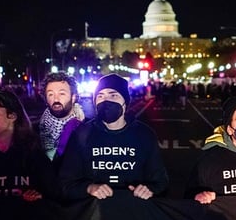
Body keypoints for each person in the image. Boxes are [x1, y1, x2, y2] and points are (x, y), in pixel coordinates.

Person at [58, 73, 169, 201]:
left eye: (113, 95)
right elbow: (64, 184)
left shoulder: (144, 134)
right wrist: (89, 188)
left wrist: (149, 190)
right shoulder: (81, 134)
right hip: (94, 215)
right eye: (100, 96)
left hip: (134, 212)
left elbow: (161, 181)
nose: (106, 101)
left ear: (125, 102)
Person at [37, 71, 86, 166]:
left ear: (73, 97)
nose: (56, 99)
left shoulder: (87, 126)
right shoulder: (36, 134)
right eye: (50, 94)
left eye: (62, 94)